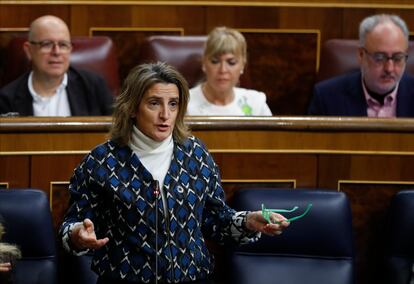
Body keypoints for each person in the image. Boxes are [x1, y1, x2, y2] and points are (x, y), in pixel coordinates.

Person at [59, 62, 288, 283]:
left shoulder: (196, 154)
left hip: (194, 278)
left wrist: (248, 221)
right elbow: (71, 226)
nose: (165, 115)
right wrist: (78, 235)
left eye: (173, 104)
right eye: (154, 103)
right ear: (132, 107)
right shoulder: (101, 161)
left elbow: (216, 220)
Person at [0, 15, 114, 116]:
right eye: (47, 44)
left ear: (70, 50)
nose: (56, 52)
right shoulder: (6, 100)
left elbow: (119, 132)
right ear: (29, 50)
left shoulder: (93, 86)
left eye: (63, 45)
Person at [308, 14, 414, 117]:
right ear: (361, 55)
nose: (389, 68)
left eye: (398, 58)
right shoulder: (326, 98)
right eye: (380, 58)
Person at [187, 27, 272, 116]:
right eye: (215, 61)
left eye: (231, 62)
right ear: (204, 63)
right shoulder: (184, 104)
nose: (223, 70)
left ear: (243, 65)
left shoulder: (256, 103)